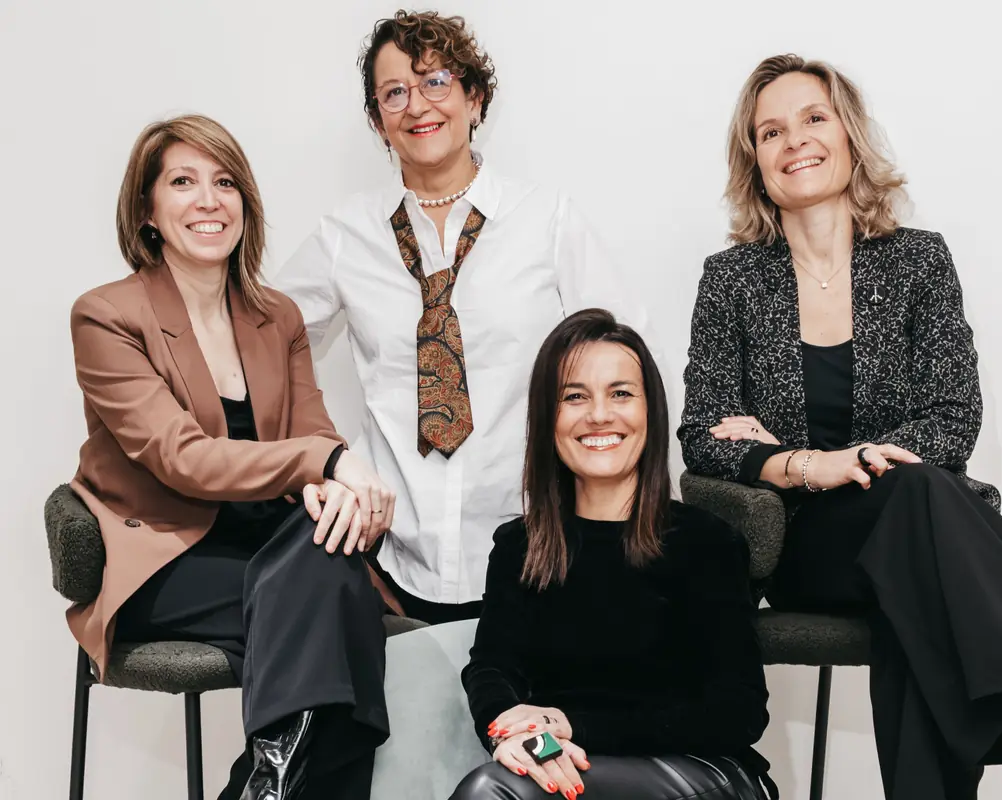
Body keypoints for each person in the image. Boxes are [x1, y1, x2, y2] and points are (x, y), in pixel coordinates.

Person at [678, 54, 1002, 800]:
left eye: (814, 118)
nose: (795, 140)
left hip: (912, 537)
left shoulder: (918, 262)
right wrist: (806, 467)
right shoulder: (731, 281)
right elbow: (702, 434)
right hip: (809, 544)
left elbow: (955, 415)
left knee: (912, 571)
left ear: (849, 136)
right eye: (771, 131)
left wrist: (833, 454)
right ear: (755, 160)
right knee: (923, 506)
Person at [273, 10, 650, 627]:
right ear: (378, 121)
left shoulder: (546, 220)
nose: (417, 104)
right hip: (388, 553)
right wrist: (323, 459)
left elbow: (630, 357)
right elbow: (260, 345)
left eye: (436, 80)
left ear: (474, 98)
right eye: (394, 92)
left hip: (536, 543)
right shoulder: (345, 236)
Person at [68, 114, 396, 800]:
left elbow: (316, 434)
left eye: (225, 182)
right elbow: (183, 458)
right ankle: (263, 783)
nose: (209, 200)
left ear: (245, 202)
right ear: (148, 211)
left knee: (328, 570)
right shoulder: (106, 316)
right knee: (346, 607)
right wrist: (328, 466)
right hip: (167, 559)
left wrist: (340, 486)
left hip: (271, 553)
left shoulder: (277, 318)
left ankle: (265, 783)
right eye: (183, 182)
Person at [450, 309, 774, 800]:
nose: (599, 414)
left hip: (702, 775)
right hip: (565, 767)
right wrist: (508, 728)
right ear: (548, 418)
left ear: (651, 412)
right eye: (574, 396)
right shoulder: (520, 545)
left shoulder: (706, 542)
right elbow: (491, 668)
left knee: (491, 793)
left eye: (621, 393)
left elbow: (738, 710)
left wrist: (567, 725)